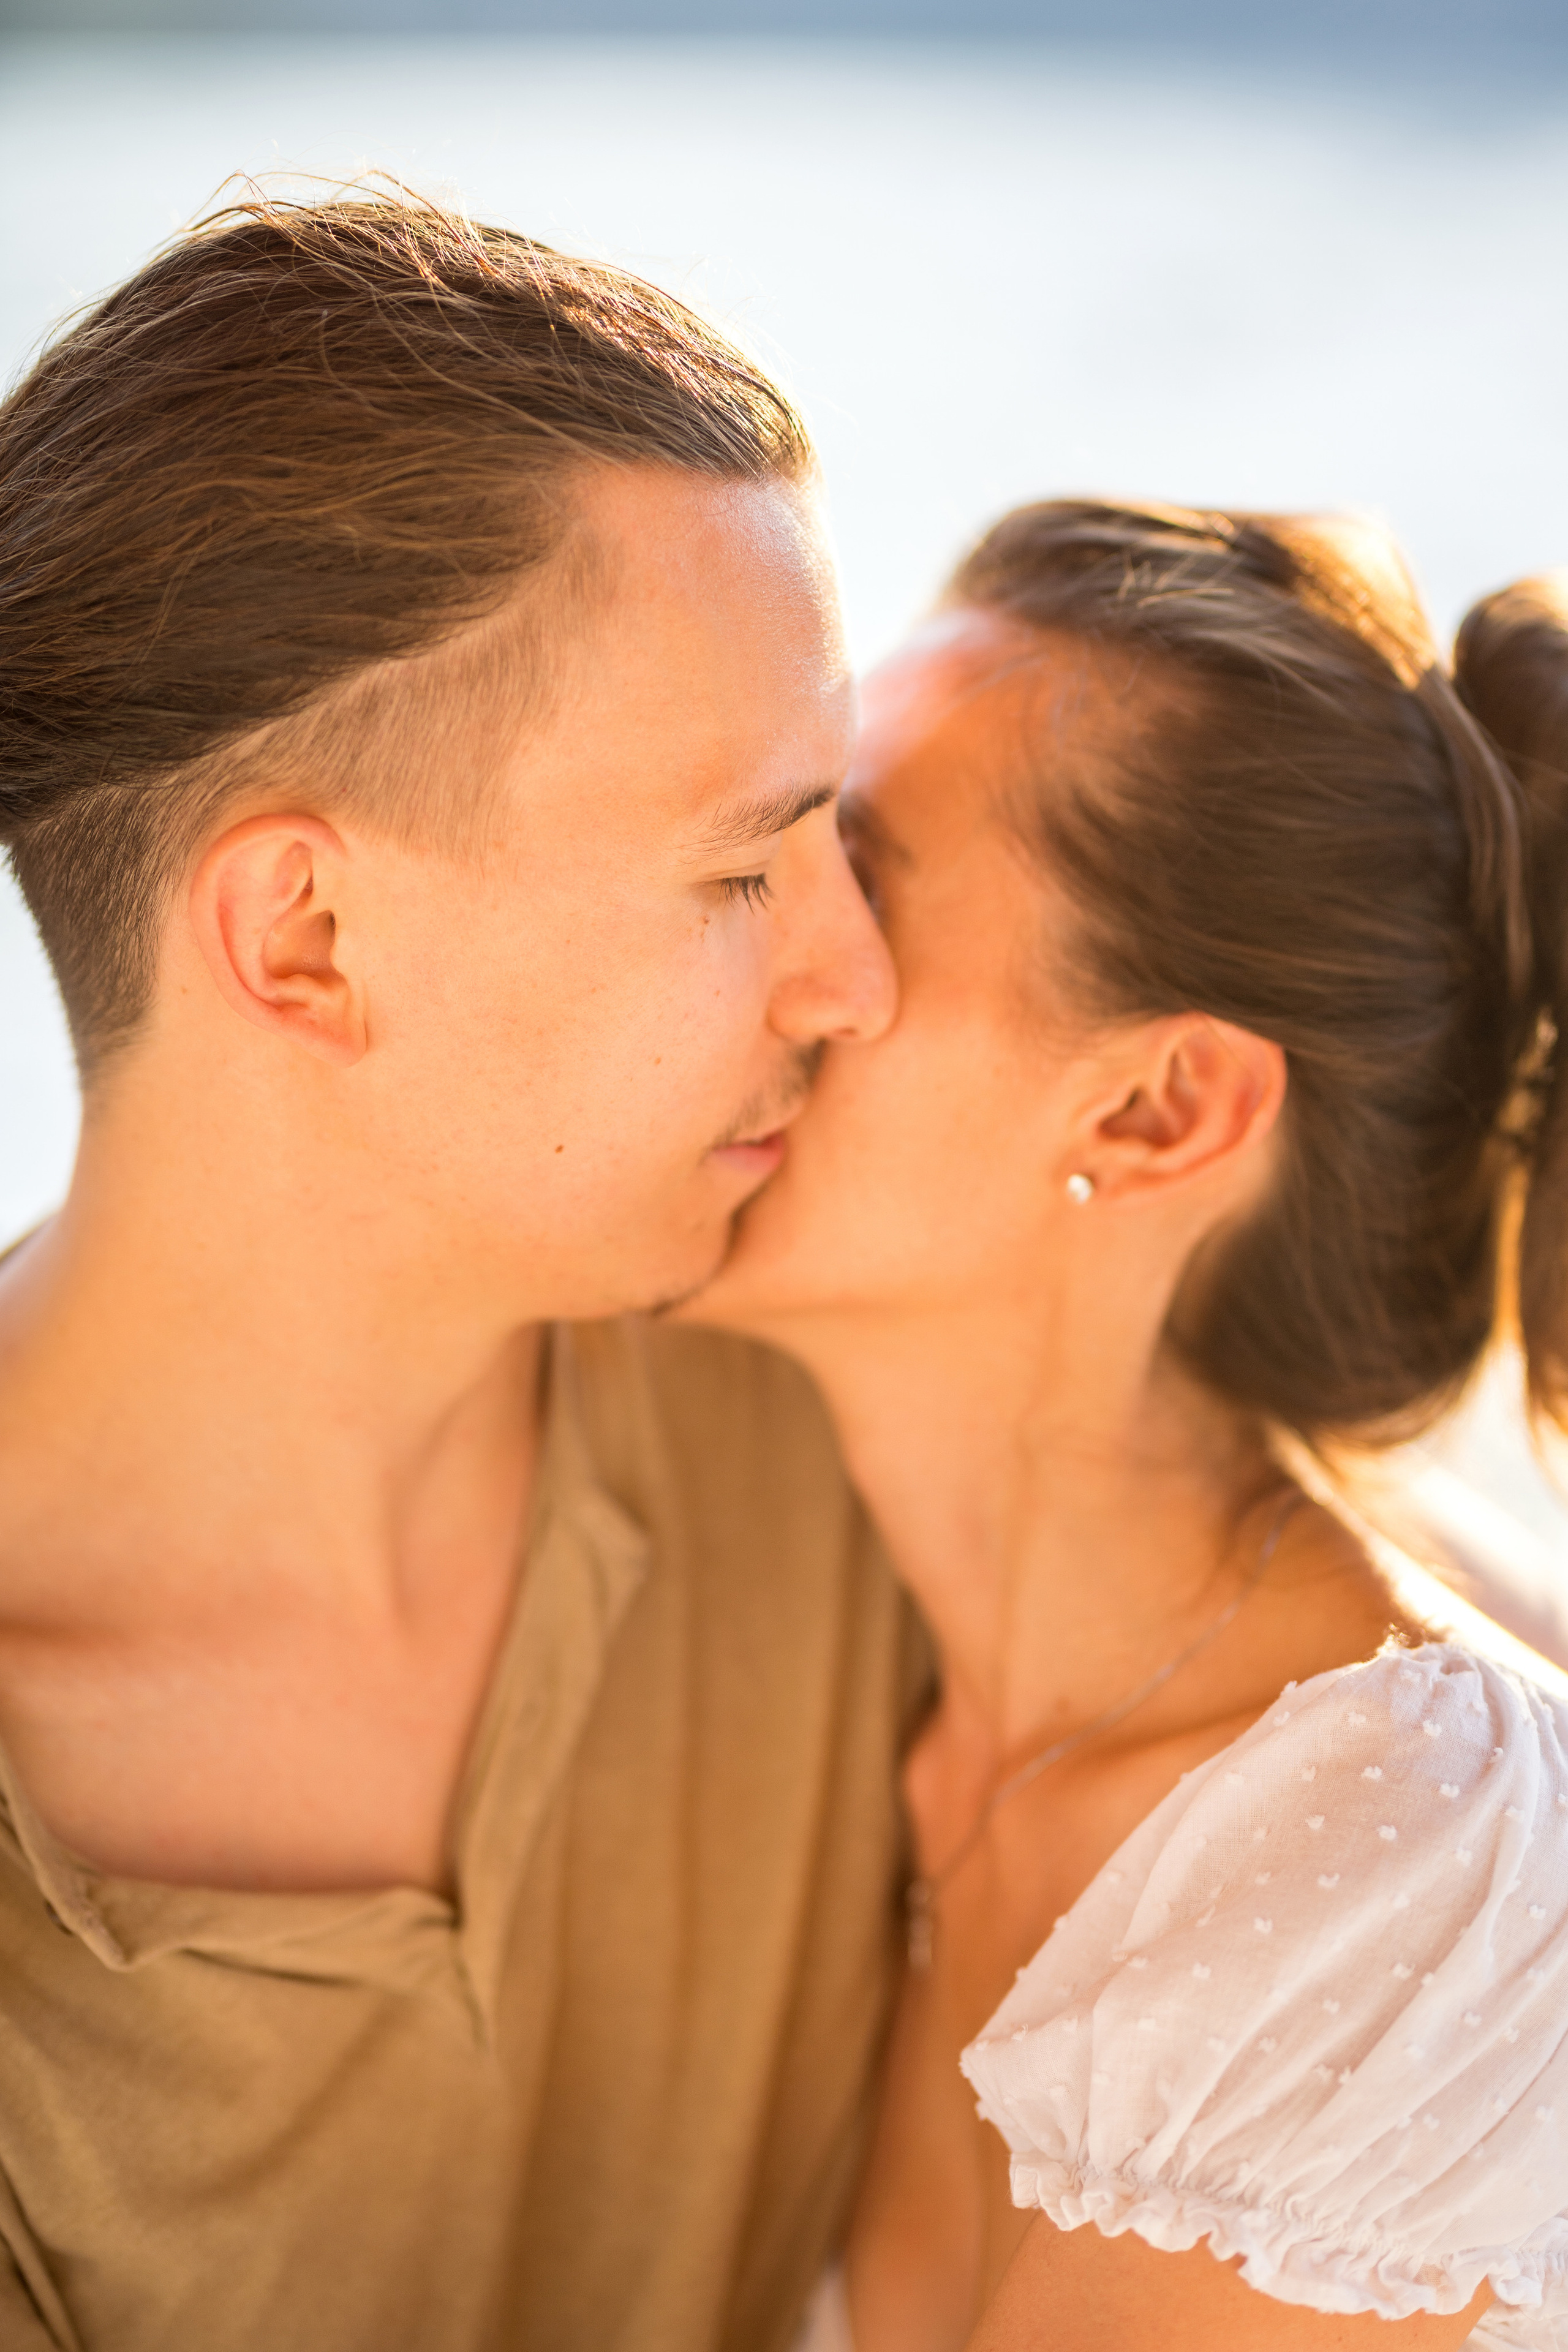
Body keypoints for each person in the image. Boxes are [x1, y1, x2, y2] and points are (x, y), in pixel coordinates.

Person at [0, 190, 926, 2351]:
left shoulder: (860, 1408)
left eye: (847, 832)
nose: (859, 977)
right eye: (742, 870)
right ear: (307, 939)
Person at [689, 506, 1568, 2351]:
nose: (743, 935)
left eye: (858, 867)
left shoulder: (1403, 1868)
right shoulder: (860, 1690)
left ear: (1158, 1112)